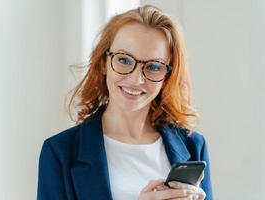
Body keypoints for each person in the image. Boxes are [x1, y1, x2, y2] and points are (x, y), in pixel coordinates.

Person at [37, 4, 213, 200]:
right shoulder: (60, 152)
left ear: (167, 76)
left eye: (154, 66)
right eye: (124, 60)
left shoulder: (193, 146)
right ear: (104, 63)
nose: (136, 80)